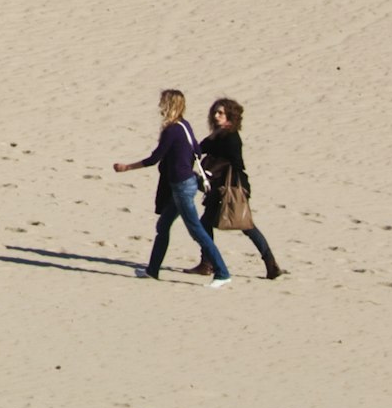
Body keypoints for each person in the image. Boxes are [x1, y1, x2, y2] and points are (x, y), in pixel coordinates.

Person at [112, 89, 229, 284]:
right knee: (163, 226)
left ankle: (222, 273)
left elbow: (154, 159)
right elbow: (197, 150)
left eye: (163, 102)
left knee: (196, 230)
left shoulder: (173, 130)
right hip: (183, 184)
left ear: (170, 105)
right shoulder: (185, 126)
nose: (160, 106)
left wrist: (126, 167)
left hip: (182, 186)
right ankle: (152, 270)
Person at [198, 97, 285, 281]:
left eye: (221, 112)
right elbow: (200, 148)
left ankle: (269, 263)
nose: (216, 115)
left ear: (230, 115)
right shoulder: (220, 134)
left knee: (245, 224)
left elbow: (235, 162)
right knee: (208, 222)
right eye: (215, 112)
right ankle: (208, 262)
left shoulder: (229, 137)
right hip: (223, 186)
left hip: (231, 186)